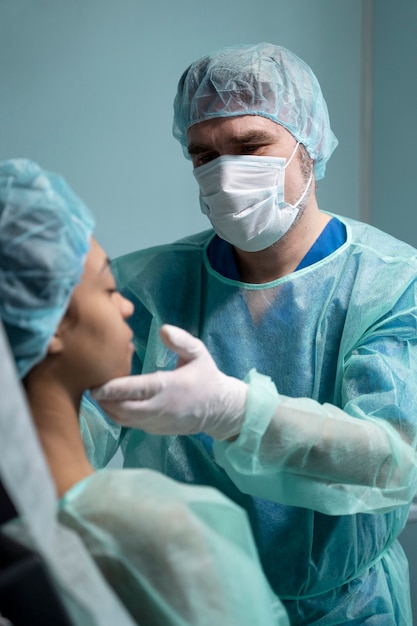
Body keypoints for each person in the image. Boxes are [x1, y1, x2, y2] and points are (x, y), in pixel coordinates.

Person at [84, 42, 417, 624]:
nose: (224, 172)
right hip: (189, 606)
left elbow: (394, 461)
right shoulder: (147, 285)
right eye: (202, 155)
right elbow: (75, 423)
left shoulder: (390, 284)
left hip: (347, 608)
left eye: (249, 146)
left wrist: (237, 413)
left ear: (308, 142)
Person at [0, 158, 290, 626]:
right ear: (50, 325)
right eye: (108, 287)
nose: (127, 305)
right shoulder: (162, 531)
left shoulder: (20, 529)